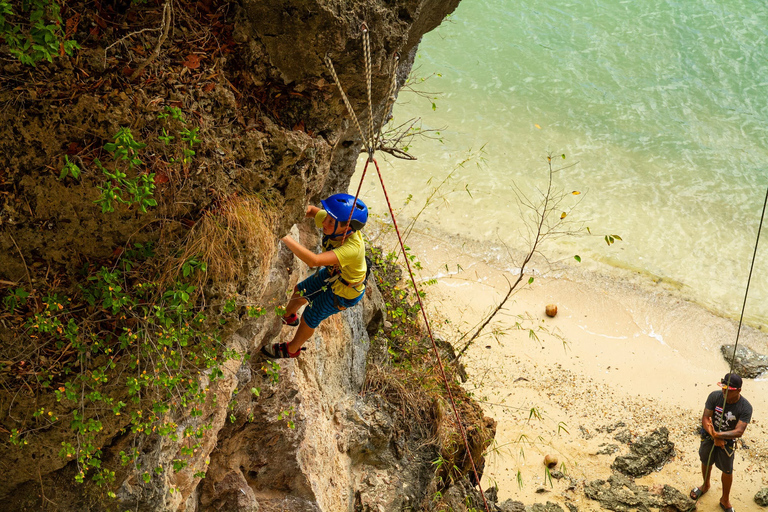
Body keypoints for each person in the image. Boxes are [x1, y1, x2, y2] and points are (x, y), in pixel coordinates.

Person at [261, 193, 368, 359]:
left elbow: (314, 260)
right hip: (334, 273)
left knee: (311, 316)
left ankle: (292, 349)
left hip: (345, 292)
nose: (325, 222)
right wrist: (289, 215)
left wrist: (282, 234)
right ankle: (288, 316)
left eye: (331, 221)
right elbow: (311, 211)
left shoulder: (352, 248)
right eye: (327, 218)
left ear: (347, 228)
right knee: (301, 290)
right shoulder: (336, 222)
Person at [690, 372, 752, 512]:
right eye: (723, 388)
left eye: (728, 390)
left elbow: (738, 431)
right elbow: (706, 418)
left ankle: (725, 499)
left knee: (727, 469)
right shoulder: (715, 396)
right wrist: (714, 436)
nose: (724, 391)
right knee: (706, 461)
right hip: (710, 436)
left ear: (738, 391)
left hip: (727, 443)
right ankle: (705, 485)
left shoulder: (745, 407)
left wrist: (720, 436)